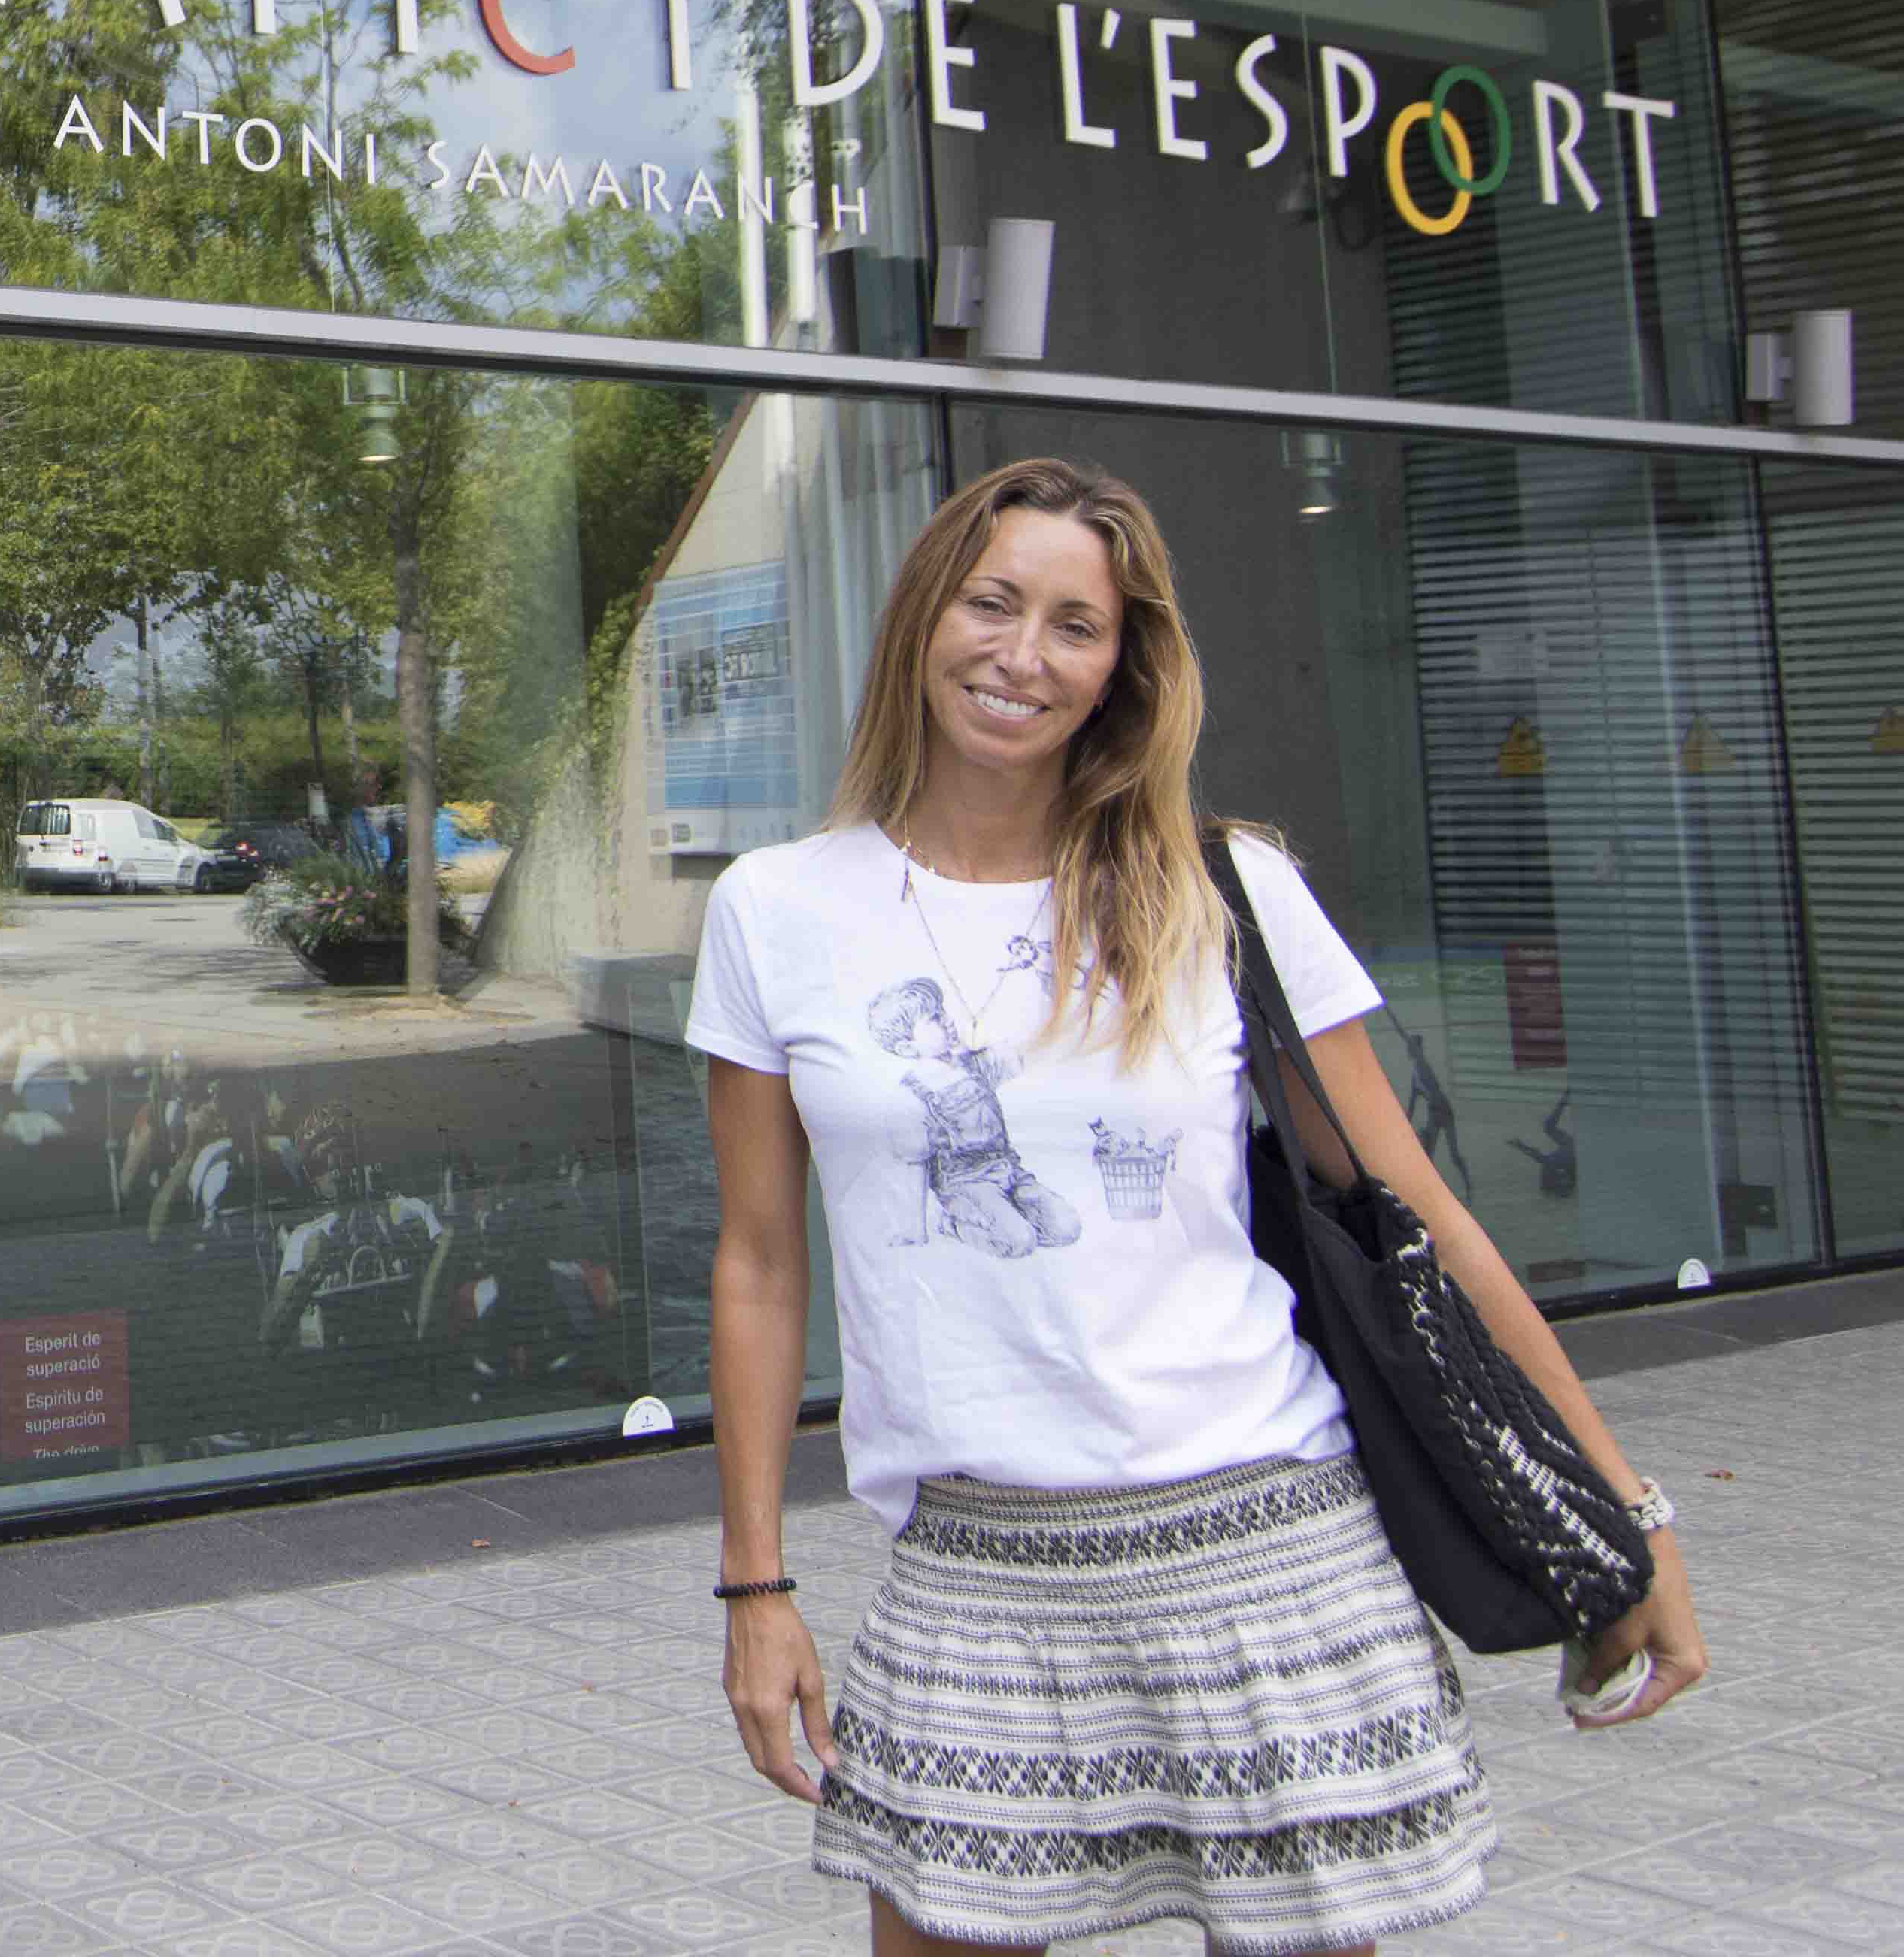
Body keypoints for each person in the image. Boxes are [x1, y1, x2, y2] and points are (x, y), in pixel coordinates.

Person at [693, 456, 1705, 1956]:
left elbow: (1415, 1208)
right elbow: (762, 1266)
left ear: (1124, 664)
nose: (1022, 655)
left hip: (1265, 1553)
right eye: (992, 601)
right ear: (923, 615)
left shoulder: (1218, 889)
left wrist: (1627, 1509)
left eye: (1075, 623)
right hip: (979, 1575)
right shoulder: (776, 908)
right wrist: (756, 1582)